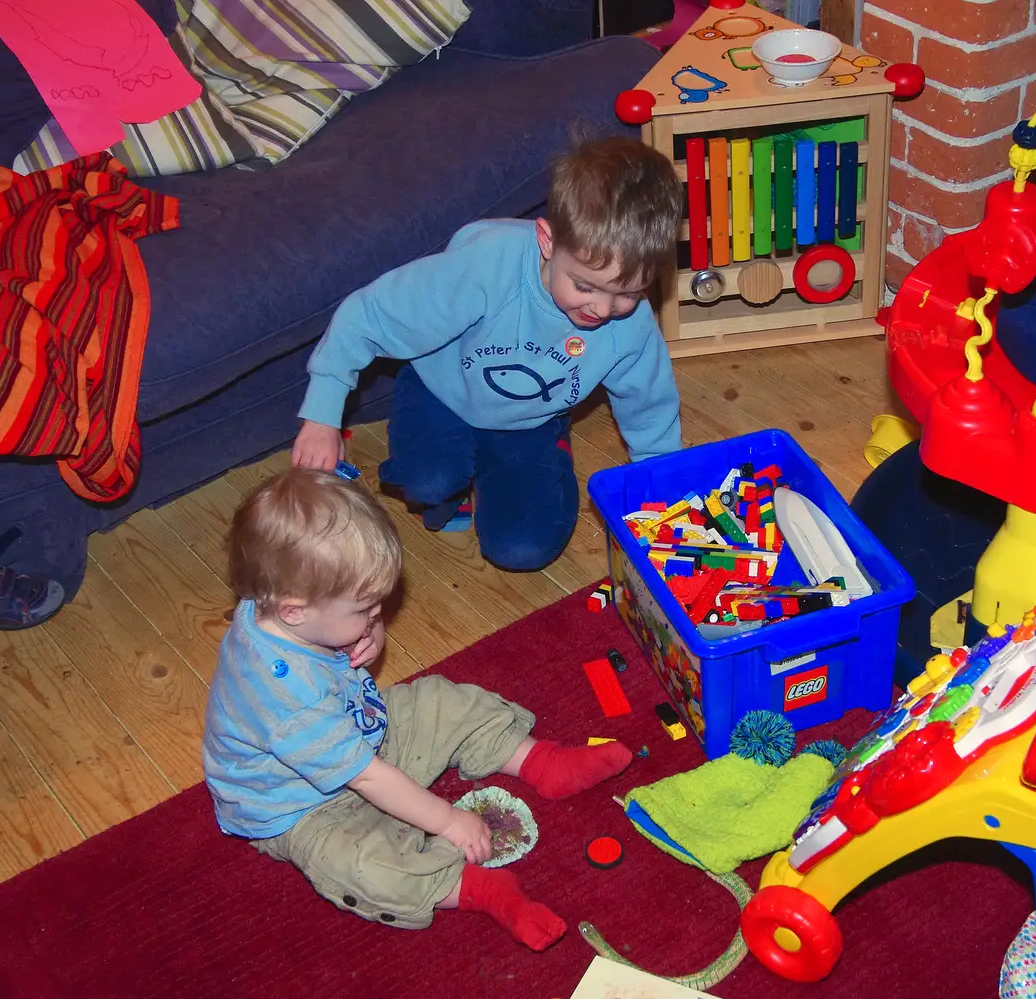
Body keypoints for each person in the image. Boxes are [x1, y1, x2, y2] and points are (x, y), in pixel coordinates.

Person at [203, 467, 633, 949]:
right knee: (361, 868)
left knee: (441, 701)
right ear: (294, 611)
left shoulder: (281, 605)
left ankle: (540, 760)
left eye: (377, 608)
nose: (374, 618)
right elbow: (365, 777)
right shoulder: (283, 697)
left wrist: (368, 632)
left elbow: (350, 668)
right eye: (363, 611)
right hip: (301, 808)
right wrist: (447, 821)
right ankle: (478, 890)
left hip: (357, 732)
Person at [290, 136, 687, 571]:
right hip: (442, 391)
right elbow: (369, 315)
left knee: (522, 550)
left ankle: (546, 448)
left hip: (530, 418)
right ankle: (452, 485)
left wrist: (660, 482)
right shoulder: (483, 267)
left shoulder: (629, 323)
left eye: (627, 293)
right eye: (585, 286)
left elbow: (649, 402)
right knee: (429, 480)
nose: (602, 309)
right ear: (547, 241)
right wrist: (323, 415)